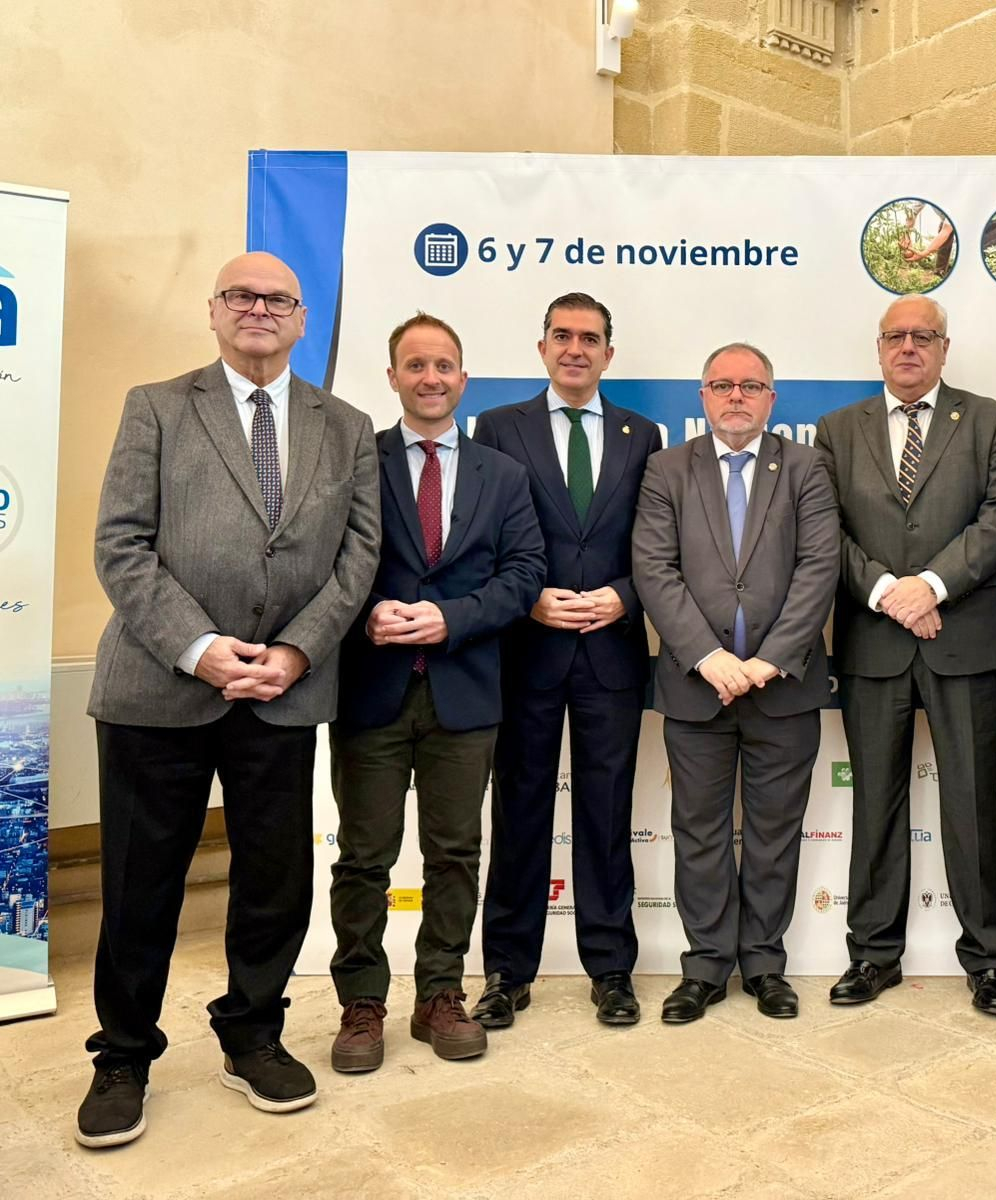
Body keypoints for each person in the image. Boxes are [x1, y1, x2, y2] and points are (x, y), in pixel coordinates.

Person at [77, 252, 380, 1148]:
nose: (258, 309)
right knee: (140, 886)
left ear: (301, 319)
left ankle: (253, 1032)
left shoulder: (347, 425)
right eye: (240, 295)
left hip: (283, 693)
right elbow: (121, 545)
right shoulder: (158, 407)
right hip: (157, 687)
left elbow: (356, 558)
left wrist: (293, 651)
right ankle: (123, 1054)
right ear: (214, 311)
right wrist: (205, 651)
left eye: (277, 299)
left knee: (275, 885)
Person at [327, 314, 544, 1072]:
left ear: (463, 377)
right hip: (371, 692)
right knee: (364, 858)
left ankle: (439, 995)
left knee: (455, 854)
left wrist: (449, 617)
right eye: (415, 365)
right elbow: (325, 564)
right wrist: (367, 614)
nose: (430, 377)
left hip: (466, 693)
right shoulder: (356, 461)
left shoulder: (502, 474)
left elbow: (524, 576)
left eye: (444, 365)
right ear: (392, 377)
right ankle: (361, 1002)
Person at [815, 296, 996, 1018]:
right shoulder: (837, 431)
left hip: (962, 639)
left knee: (972, 803)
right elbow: (827, 532)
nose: (909, 347)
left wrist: (930, 586)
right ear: (879, 349)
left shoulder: (988, 418)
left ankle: (991, 960)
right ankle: (872, 955)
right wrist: (885, 592)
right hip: (874, 643)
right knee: (875, 804)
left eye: (923, 336)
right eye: (896, 337)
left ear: (943, 346)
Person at [632, 343, 839, 1023]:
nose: (737, 396)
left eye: (751, 385)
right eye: (722, 385)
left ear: (771, 399)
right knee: (699, 831)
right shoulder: (667, 468)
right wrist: (706, 657)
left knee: (776, 832)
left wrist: (769, 659)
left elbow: (818, 569)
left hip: (784, 686)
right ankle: (705, 968)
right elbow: (654, 570)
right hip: (697, 687)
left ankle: (765, 965)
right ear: (703, 397)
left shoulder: (807, 467)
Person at [472, 294, 661, 1029]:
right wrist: (527, 601)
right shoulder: (498, 428)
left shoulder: (640, 435)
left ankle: (612, 968)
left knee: (608, 816)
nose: (575, 348)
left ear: (609, 353)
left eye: (590, 338)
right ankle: (506, 972)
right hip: (527, 651)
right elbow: (482, 535)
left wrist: (624, 596)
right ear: (542, 347)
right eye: (563, 336)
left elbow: (659, 546)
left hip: (611, 652)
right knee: (517, 812)